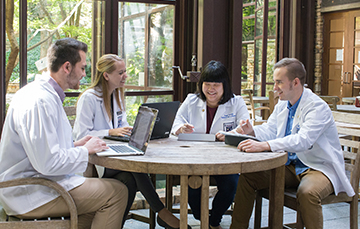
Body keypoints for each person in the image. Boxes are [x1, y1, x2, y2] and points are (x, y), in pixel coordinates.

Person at [0, 38, 128, 229]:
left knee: (100, 203)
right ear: (67, 67)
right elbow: (48, 163)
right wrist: (85, 151)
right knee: (117, 193)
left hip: (40, 182)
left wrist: (77, 146)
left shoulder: (44, 95)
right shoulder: (39, 101)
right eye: (82, 68)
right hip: (32, 191)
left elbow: (44, 150)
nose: (84, 75)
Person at [230, 58, 355, 229]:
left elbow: (303, 140)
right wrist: (251, 133)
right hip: (290, 166)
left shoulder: (317, 107)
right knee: (249, 176)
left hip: (318, 168)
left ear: (295, 82)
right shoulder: (283, 104)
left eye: (279, 82)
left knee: (307, 193)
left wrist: (265, 145)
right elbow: (271, 129)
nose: (275, 88)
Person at [73, 54, 188, 229]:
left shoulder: (117, 96)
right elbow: (81, 134)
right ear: (106, 75)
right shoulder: (89, 98)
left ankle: (116, 224)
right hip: (98, 161)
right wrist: (110, 131)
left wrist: (135, 132)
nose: (125, 76)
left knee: (130, 178)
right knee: (136, 169)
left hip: (115, 155)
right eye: (121, 73)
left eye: (125, 71)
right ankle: (162, 213)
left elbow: (123, 125)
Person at [171, 60, 250, 229]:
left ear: (225, 85)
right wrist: (180, 128)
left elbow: (245, 126)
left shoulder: (237, 103)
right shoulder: (191, 100)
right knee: (193, 188)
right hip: (196, 158)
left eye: (216, 84)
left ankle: (214, 220)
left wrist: (231, 134)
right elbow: (175, 121)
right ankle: (202, 218)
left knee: (231, 185)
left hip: (225, 159)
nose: (211, 89)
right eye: (207, 84)